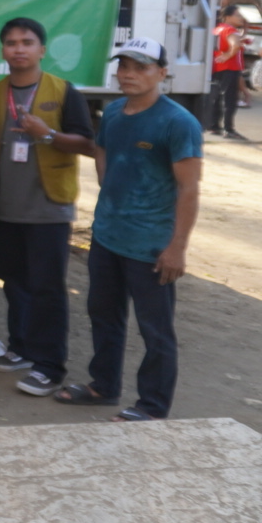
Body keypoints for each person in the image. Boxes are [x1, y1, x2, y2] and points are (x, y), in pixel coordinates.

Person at [56, 38, 202, 422]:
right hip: (106, 237)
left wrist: (177, 248)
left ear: (161, 73)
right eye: (123, 66)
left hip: (151, 246)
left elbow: (189, 188)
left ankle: (152, 407)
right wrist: (107, 181)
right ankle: (103, 386)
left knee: (155, 331)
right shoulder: (117, 111)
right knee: (103, 315)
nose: (129, 74)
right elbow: (100, 146)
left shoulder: (177, 123)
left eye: (140, 67)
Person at [0, 18, 95, 398]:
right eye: (11, 42)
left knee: (47, 288)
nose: (19, 49)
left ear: (41, 50)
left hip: (49, 208)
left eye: (27, 42)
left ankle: (50, 366)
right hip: (6, 207)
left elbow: (86, 143)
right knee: (14, 282)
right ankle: (21, 349)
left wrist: (46, 134)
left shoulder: (64, 92)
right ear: (2, 51)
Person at [209, 4, 245, 139]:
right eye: (238, 15)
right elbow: (235, 45)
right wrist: (228, 55)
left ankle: (214, 126)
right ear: (228, 16)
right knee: (230, 99)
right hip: (229, 68)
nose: (241, 18)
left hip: (217, 68)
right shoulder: (231, 30)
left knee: (217, 98)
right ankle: (228, 129)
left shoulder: (217, 29)